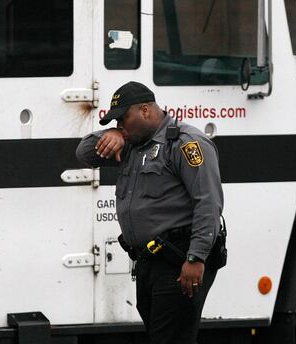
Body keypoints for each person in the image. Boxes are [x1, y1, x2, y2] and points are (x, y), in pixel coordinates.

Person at [76, 81, 225, 344]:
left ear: (145, 110)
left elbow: (208, 203)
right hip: (149, 262)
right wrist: (115, 133)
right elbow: (85, 153)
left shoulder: (185, 143)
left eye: (123, 118)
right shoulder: (132, 143)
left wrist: (196, 257)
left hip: (179, 261)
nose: (121, 124)